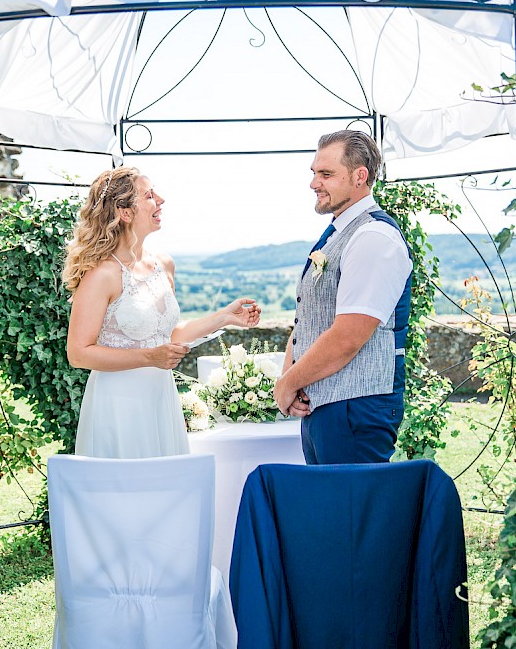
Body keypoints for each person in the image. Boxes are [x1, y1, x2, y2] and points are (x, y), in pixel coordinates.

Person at [64, 166, 261, 458]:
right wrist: (148, 357)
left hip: (160, 397)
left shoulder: (163, 265)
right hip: (119, 404)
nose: (161, 200)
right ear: (125, 212)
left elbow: (165, 334)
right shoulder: (102, 274)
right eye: (149, 195)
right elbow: (78, 353)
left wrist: (225, 317)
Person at [274, 130, 412, 464]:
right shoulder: (338, 232)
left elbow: (348, 336)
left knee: (353, 514)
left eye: (326, 174)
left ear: (360, 176)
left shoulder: (373, 237)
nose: (314, 183)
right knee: (330, 513)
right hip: (325, 407)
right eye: (314, 173)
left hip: (356, 410)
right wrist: (289, 379)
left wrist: (287, 384)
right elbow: (310, 316)